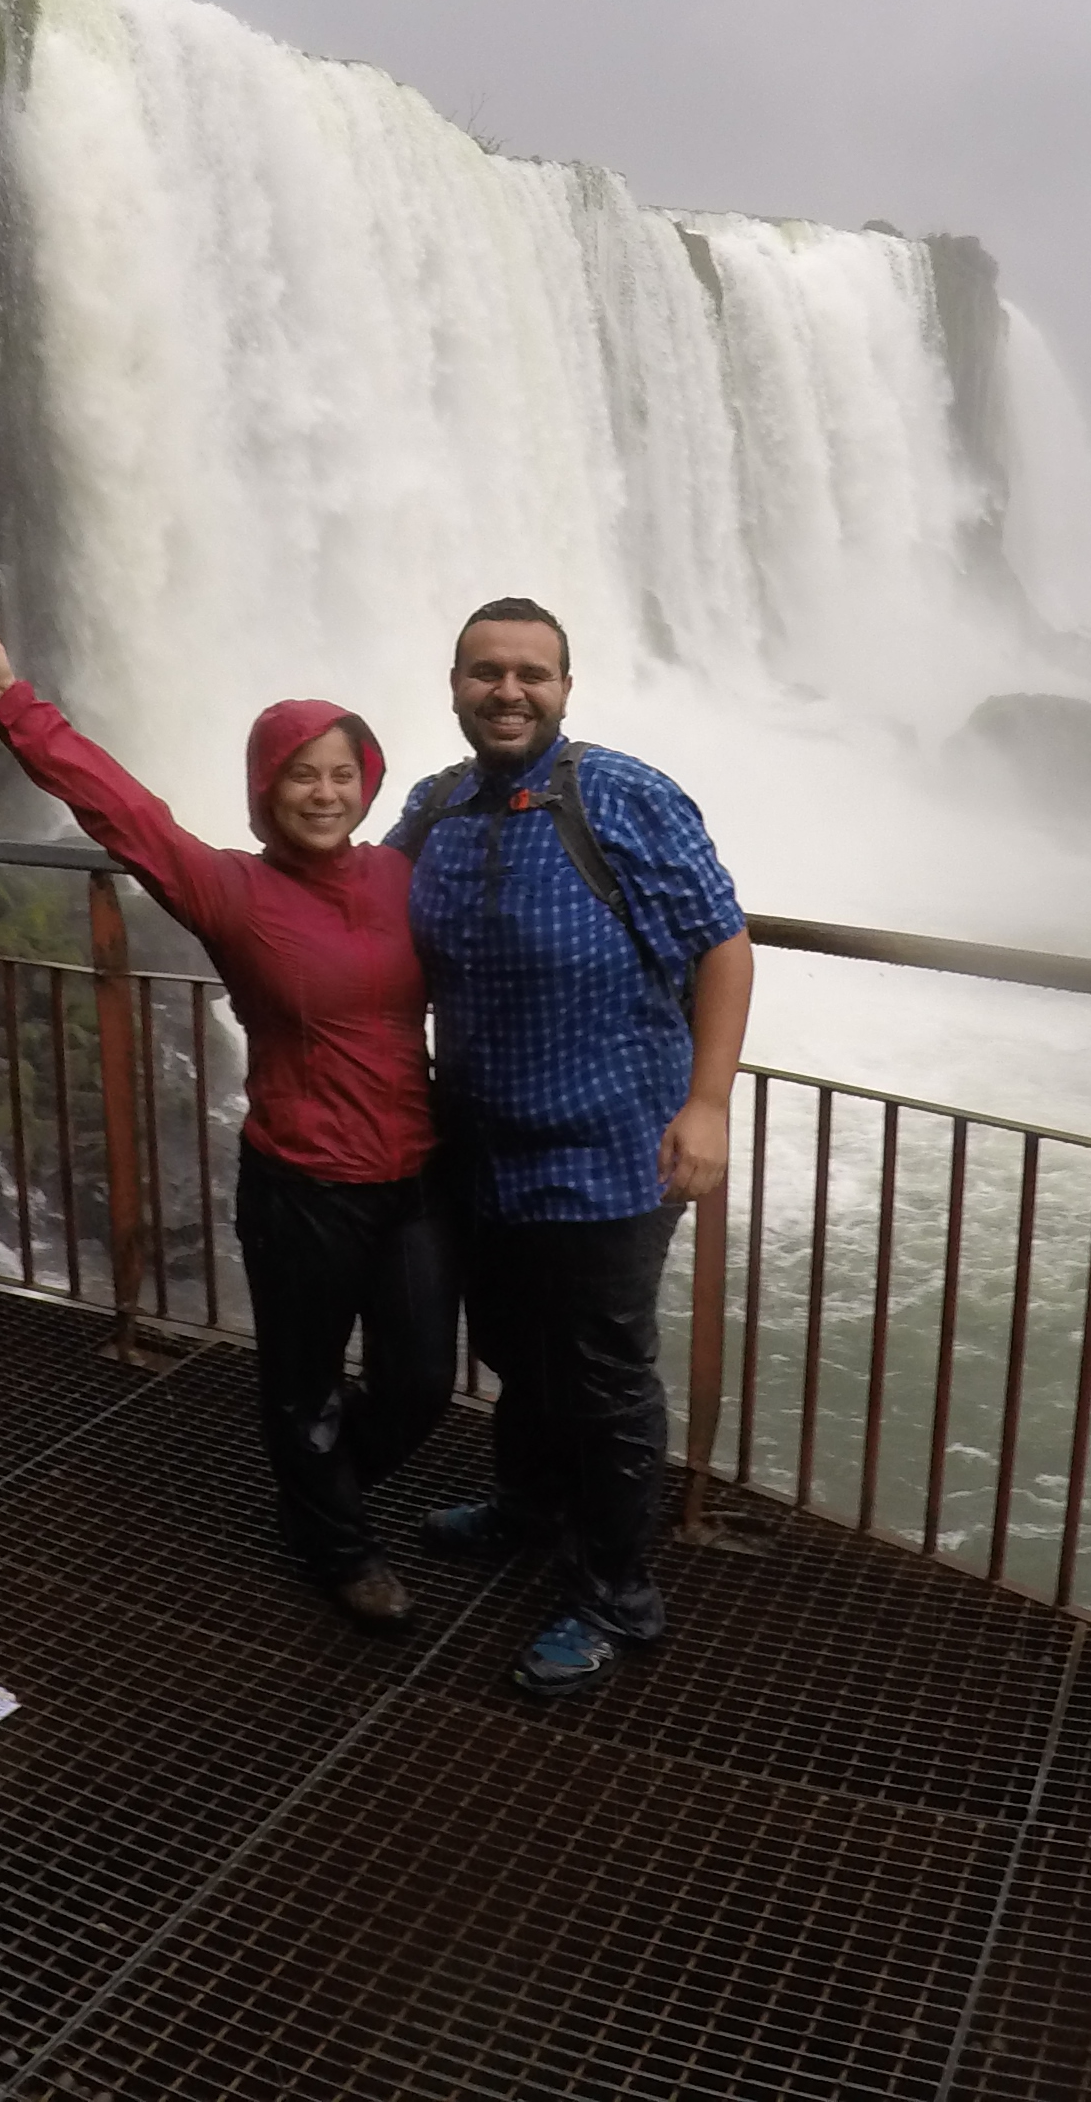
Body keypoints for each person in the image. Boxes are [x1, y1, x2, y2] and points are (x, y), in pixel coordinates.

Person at [0, 610, 450, 1632]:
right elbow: (125, 814)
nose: (325, 793)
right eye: (302, 775)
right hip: (303, 1181)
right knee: (301, 1384)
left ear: (368, 784)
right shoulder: (232, 890)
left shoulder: (400, 875)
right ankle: (339, 1547)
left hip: (415, 1175)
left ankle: (319, 1493)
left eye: (342, 774)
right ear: (267, 790)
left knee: (422, 1380)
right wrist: (14, 704)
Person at [393, 597, 752, 1697]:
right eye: (485, 672)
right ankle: (528, 1507)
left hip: (612, 1151)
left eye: (531, 674)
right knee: (514, 1347)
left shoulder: (624, 796)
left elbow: (724, 948)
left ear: (563, 689)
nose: (508, 692)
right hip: (483, 1148)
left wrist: (708, 1104)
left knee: (601, 1375)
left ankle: (613, 1595)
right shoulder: (435, 808)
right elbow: (351, 915)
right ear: (455, 686)